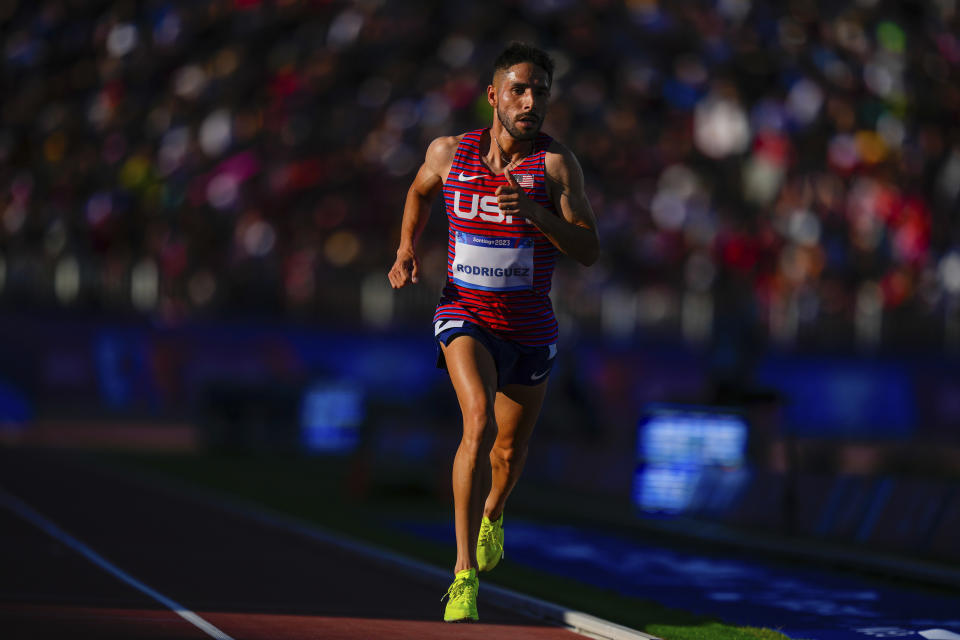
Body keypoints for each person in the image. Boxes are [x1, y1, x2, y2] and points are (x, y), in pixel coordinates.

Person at [388, 42, 599, 623]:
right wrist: (407, 248)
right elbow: (417, 191)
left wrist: (536, 215)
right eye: (519, 90)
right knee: (476, 420)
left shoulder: (556, 167)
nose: (531, 102)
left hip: (529, 326)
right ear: (493, 96)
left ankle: (494, 515)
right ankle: (462, 575)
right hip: (464, 313)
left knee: (508, 451)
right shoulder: (449, 152)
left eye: (540, 92)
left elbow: (589, 250)